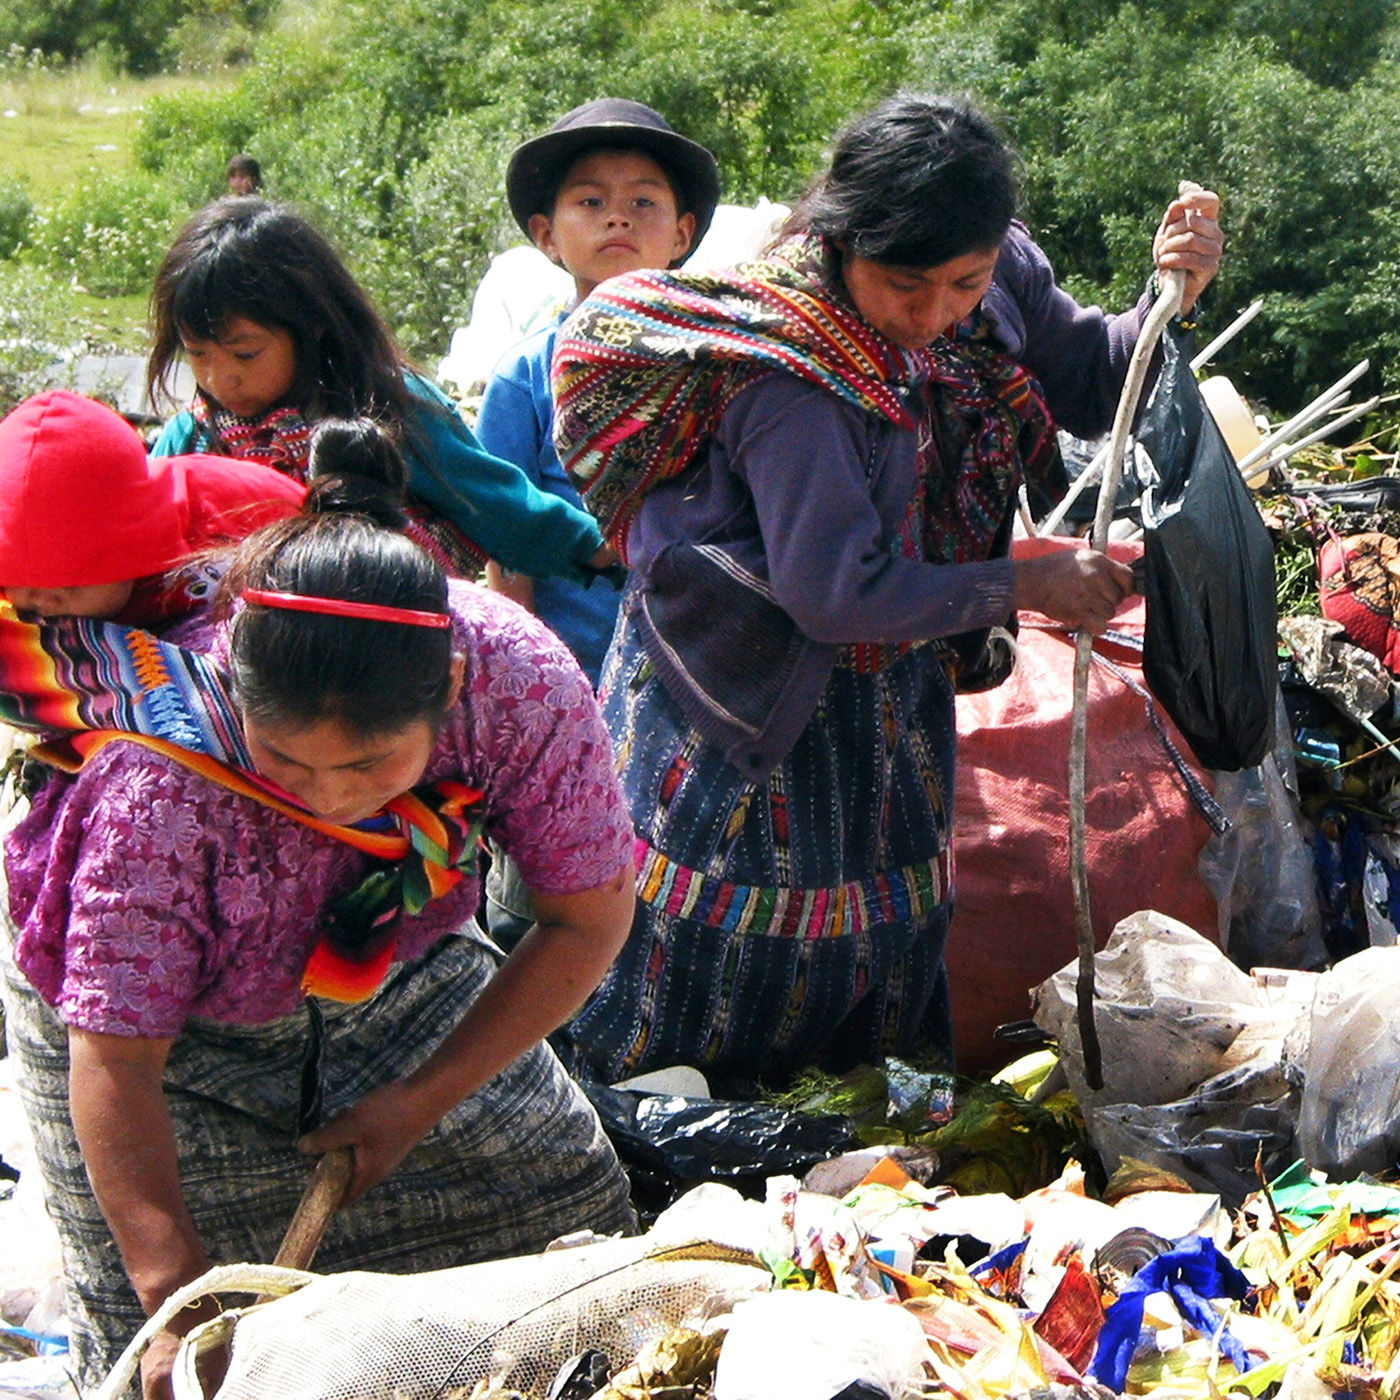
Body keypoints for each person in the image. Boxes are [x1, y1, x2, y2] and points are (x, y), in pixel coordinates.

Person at [551, 93, 1224, 1089]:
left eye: (964, 282)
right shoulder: (790, 372)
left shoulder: (992, 277)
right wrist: (1023, 581)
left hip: (888, 684)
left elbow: (1092, 377)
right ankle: (668, 1146)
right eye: (904, 285)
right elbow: (834, 592)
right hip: (742, 706)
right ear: (837, 238)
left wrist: (1172, 292)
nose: (934, 314)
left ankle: (863, 1147)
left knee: (879, 940)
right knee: (720, 956)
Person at [0, 447, 637, 1398]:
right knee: (181, 1360)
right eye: (289, 764)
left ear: (452, 688)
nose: (332, 798)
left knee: (563, 1224)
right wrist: (178, 1297)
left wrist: (422, 1097)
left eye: (372, 766)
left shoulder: (525, 690)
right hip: (161, 1046)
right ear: (235, 699)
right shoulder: (163, 776)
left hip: (404, 976)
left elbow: (586, 921)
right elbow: (117, 1062)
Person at [145, 196, 615, 585]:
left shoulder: (388, 407)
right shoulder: (193, 437)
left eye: (245, 354)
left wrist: (595, 547)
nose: (219, 379)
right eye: (198, 355)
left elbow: (491, 498)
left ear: (313, 326)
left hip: (389, 656)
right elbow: (143, 531)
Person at [477, 98, 720, 687]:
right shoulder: (528, 376)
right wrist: (530, 676)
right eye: (591, 202)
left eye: (644, 201)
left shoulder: (720, 363)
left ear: (682, 233)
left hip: (708, 668)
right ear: (547, 236)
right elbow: (505, 539)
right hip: (579, 675)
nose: (619, 219)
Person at [0, 389, 304, 624]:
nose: (45, 605)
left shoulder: (215, 541)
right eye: (24, 585)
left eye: (71, 587)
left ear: (134, 547)